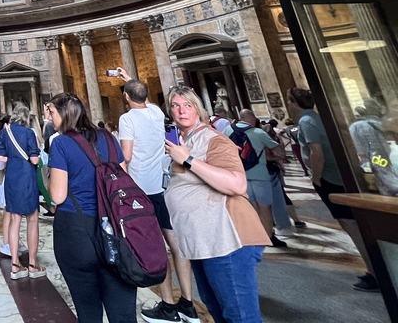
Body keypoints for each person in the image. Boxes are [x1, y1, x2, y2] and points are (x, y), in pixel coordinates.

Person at [162, 86, 270, 323]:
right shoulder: (185, 138)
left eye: (187, 105)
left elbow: (237, 183)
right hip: (203, 241)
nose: (181, 111)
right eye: (175, 106)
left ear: (198, 108)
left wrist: (188, 160)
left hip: (226, 239)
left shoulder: (213, 139)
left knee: (240, 317)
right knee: (218, 312)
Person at [47, 93, 137, 323]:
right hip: (115, 228)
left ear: (64, 114)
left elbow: (58, 196)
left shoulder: (61, 142)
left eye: (53, 113)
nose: (51, 118)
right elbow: (123, 179)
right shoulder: (108, 137)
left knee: (88, 312)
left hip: (78, 231)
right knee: (124, 314)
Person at [117, 75, 196, 323]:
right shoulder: (155, 112)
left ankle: (169, 306)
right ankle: (188, 303)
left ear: (126, 97)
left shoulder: (127, 118)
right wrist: (130, 79)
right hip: (166, 184)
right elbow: (144, 98)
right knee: (177, 244)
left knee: (155, 247)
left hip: (143, 188)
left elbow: (126, 155)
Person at [287, 87, 379, 292]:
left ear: (294, 103)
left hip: (330, 178)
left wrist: (317, 178)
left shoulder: (305, 121)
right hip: (341, 174)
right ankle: (376, 267)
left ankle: (376, 272)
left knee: (351, 225)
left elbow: (316, 151)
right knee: (354, 223)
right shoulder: (318, 117)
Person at [0, 103, 43, 280]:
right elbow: (35, 160)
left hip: (12, 178)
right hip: (27, 178)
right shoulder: (29, 133)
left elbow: (0, 157)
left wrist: (13, 157)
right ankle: (31, 264)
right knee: (32, 219)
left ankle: (15, 264)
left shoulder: (4, 133)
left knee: (14, 220)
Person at [224, 109, 284, 248]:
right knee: (265, 207)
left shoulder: (227, 130)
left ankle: (256, 236)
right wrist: (277, 154)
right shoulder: (258, 132)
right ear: (253, 118)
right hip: (260, 175)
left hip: (239, 175)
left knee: (250, 206)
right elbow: (277, 150)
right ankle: (268, 236)